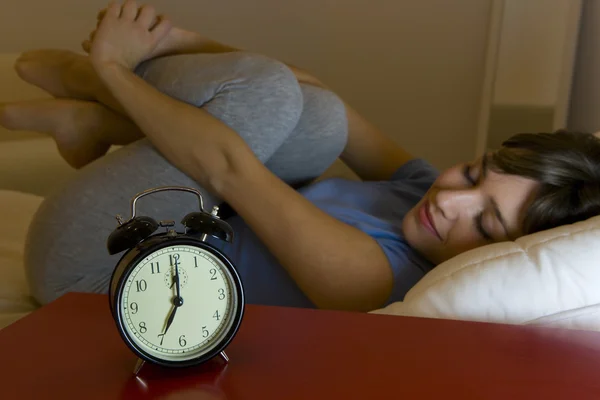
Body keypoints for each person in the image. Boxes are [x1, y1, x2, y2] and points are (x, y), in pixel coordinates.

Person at [2, 1, 600, 312]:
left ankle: (97, 94)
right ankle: (94, 119)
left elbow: (227, 169)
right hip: (156, 224)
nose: (450, 200)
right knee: (321, 118)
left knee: (268, 98)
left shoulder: (374, 279)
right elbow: (319, 96)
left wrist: (113, 66)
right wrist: (180, 42)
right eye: (472, 173)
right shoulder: (422, 196)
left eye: (485, 220)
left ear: (505, 254)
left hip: (97, 273)